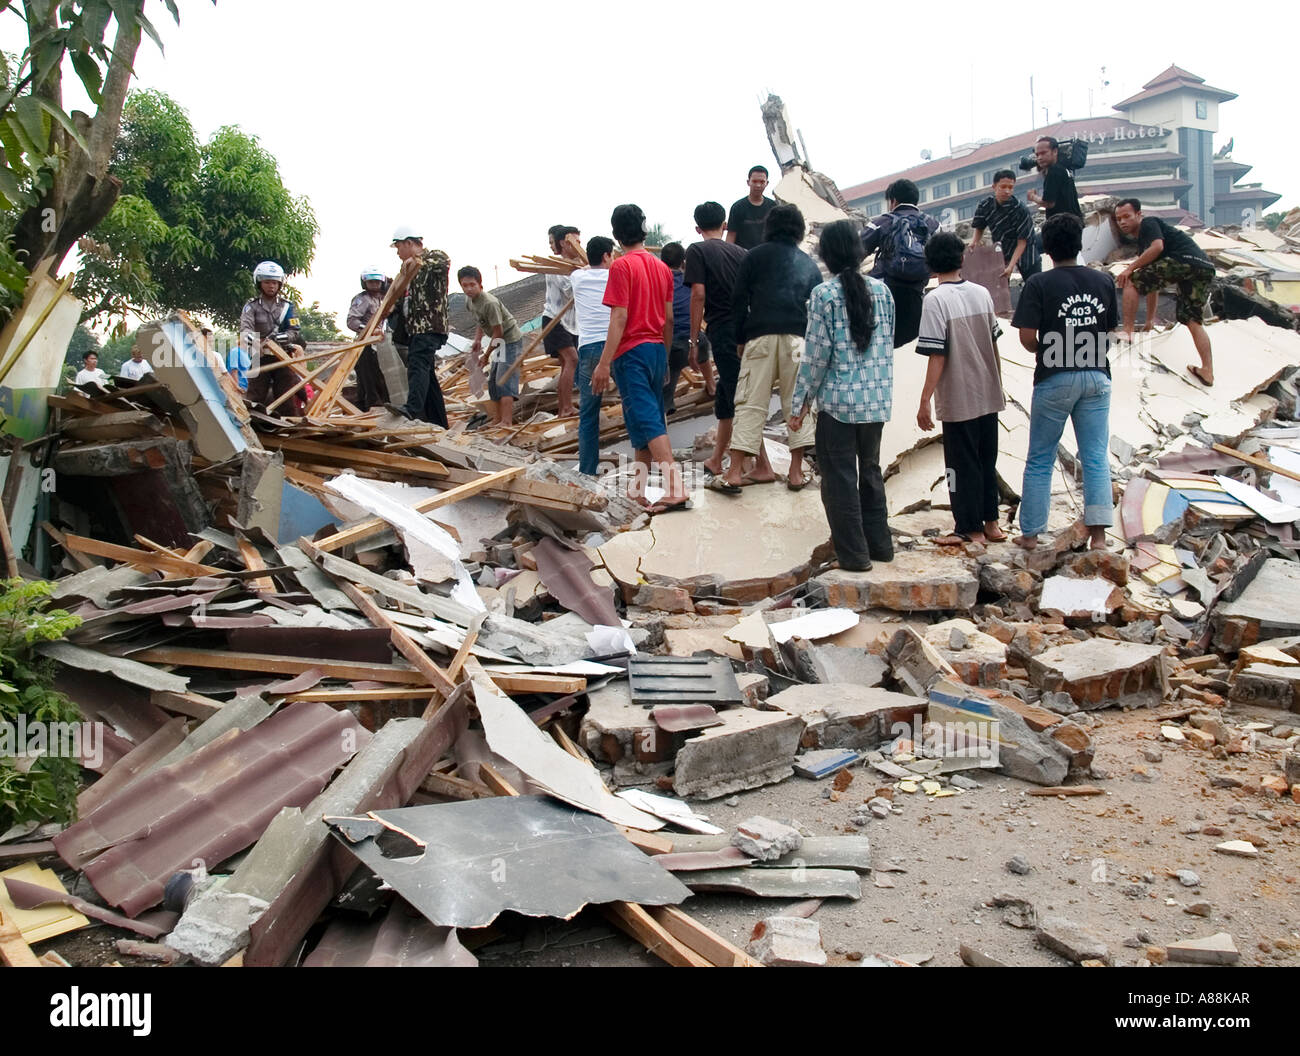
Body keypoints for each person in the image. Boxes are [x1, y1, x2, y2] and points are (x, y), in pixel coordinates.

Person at [790, 220, 896, 571]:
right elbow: (886, 346)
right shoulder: (883, 292)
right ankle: (881, 547)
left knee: (839, 481)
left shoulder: (824, 295)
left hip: (838, 403)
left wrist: (799, 404)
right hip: (876, 401)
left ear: (827, 255)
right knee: (870, 472)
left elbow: (816, 357)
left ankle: (854, 557)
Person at [1011, 213, 1117, 553]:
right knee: (1096, 456)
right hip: (1098, 376)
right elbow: (1110, 331)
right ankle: (1099, 538)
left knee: (1041, 456)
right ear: (1080, 244)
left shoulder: (1038, 284)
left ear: (1047, 249)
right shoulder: (1103, 282)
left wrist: (1053, 347)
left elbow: (1027, 338)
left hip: (1054, 378)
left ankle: (1031, 534)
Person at [714, 203, 822, 494]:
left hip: (759, 337)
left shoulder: (753, 257)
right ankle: (796, 473)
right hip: (798, 341)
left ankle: (734, 472)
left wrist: (740, 337)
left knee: (750, 402)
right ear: (798, 230)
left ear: (769, 227)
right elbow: (817, 308)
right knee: (797, 404)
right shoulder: (807, 263)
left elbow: (738, 301)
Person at [592, 203, 688, 512]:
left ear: (616, 234)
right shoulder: (661, 267)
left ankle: (675, 487)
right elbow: (669, 318)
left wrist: (604, 363)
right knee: (641, 423)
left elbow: (619, 318)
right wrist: (665, 353)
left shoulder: (621, 266)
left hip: (630, 352)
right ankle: (637, 489)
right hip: (656, 348)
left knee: (646, 418)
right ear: (644, 230)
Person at [916, 232, 1007, 545]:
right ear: (960, 258)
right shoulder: (981, 293)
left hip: (959, 395)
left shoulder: (935, 300)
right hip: (989, 390)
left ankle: (968, 529)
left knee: (960, 463)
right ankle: (992, 523)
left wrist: (925, 399)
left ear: (930, 264)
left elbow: (937, 354)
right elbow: (994, 343)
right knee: (986, 459)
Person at [1113, 198, 1216, 386]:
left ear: (1139, 214)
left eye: (1127, 216)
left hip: (1182, 260)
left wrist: (1130, 269)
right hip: (1203, 267)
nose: (1122, 222)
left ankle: (1127, 331)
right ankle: (1207, 370)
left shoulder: (1148, 224)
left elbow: (1158, 247)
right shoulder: (1144, 244)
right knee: (1192, 319)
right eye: (1118, 219)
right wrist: (1149, 320)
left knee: (1131, 281)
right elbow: (1154, 284)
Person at [685, 201, 748, 477]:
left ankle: (752, 464)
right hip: (745, 329)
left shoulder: (697, 250)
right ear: (724, 225)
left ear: (697, 228)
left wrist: (693, 338)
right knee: (726, 398)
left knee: (739, 397)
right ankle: (716, 458)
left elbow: (698, 294)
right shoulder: (742, 252)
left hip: (722, 329)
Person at [384, 225, 451, 426]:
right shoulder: (407, 269)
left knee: (417, 364)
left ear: (409, 243)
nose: (398, 253)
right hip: (415, 328)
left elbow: (443, 263)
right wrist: (389, 309)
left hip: (429, 325)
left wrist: (417, 261)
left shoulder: (435, 257)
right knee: (427, 375)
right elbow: (402, 296)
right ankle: (439, 422)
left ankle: (411, 409)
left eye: (398, 247)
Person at [861, 179, 939, 348]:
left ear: (893, 201)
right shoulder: (933, 224)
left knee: (881, 342)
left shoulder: (882, 222)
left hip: (884, 292)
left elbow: (857, 250)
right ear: (916, 200)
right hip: (916, 292)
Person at [458, 266, 524, 427]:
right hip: (500, 343)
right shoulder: (470, 302)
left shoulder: (490, 303)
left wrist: (486, 356)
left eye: (472, 285)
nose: (468, 289)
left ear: (480, 285)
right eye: (464, 285)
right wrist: (478, 340)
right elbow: (480, 322)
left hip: (510, 340)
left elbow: (498, 333)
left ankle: (507, 421)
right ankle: (497, 419)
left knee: (505, 378)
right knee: (494, 380)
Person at [571, 235, 615, 476]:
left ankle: (588, 470)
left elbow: (585, 268)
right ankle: (647, 463)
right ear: (607, 255)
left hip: (588, 349)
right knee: (632, 404)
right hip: (615, 345)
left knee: (588, 414)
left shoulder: (577, 277)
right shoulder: (615, 275)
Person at [238, 260, 303, 410]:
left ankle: (289, 426)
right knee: (255, 395)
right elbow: (245, 329)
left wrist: (277, 339)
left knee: (286, 395)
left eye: (275, 282)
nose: (271, 286)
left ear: (280, 284)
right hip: (258, 355)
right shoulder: (251, 306)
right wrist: (256, 341)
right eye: (267, 282)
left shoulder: (288, 306)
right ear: (259, 283)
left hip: (282, 354)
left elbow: (294, 330)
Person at [660, 242, 712, 409]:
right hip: (694, 341)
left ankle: (667, 409)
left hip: (672, 346)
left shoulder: (659, 282)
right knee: (703, 345)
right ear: (683, 262)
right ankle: (711, 385)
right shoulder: (690, 281)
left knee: (665, 394)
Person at [969, 169, 1040, 279]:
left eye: (1010, 187)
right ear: (994, 187)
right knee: (999, 285)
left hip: (1026, 253)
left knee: (1035, 283)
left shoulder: (1020, 209)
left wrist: (1011, 266)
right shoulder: (985, 205)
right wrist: (974, 243)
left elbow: (1022, 242)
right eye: (1003, 187)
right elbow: (979, 227)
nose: (1007, 191)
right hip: (1002, 252)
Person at [543, 225, 581, 417]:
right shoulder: (556, 265)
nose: (579, 246)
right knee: (571, 359)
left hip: (569, 322)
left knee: (568, 363)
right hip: (555, 319)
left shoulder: (576, 266)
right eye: (575, 242)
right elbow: (570, 290)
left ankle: (564, 407)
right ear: (564, 244)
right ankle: (565, 407)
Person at [346, 265, 391, 410]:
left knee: (382, 377)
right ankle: (371, 407)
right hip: (365, 344)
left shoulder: (385, 299)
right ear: (365, 283)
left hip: (381, 344)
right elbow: (352, 321)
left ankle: (382, 404)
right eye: (371, 282)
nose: (374, 285)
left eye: (377, 282)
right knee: (368, 379)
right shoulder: (362, 299)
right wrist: (368, 331)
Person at [1026, 136, 1081, 220]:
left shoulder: (1054, 171)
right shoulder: (1062, 168)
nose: (1039, 158)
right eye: (1037, 155)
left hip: (1062, 226)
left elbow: (1048, 203)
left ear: (1055, 151)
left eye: (1043, 153)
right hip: (1074, 223)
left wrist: (1032, 196)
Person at [726, 165, 776, 250]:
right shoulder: (737, 207)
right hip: (742, 257)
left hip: (767, 256)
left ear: (767, 183)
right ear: (748, 182)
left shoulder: (773, 207)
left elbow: (778, 234)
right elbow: (731, 236)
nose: (758, 185)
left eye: (762, 182)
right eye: (755, 181)